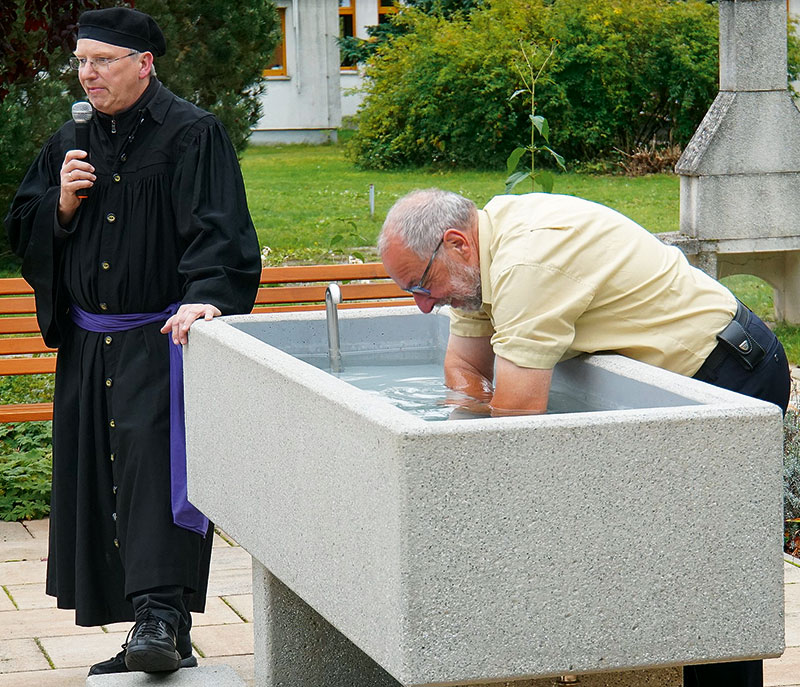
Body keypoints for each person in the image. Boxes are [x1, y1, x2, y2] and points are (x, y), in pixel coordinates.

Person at [379, 188, 790, 687]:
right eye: (410, 292)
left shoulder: (528, 263)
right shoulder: (479, 261)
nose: (423, 306)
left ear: (456, 243)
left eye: (421, 285)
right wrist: (453, 443)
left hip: (730, 374)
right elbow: (465, 366)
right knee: (667, 561)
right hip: (677, 385)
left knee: (711, 569)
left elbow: (517, 415)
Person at [4, 7, 261, 676]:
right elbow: (23, 225)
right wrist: (60, 205)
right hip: (90, 344)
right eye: (81, 61)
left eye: (103, 60)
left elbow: (222, 232)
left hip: (161, 338)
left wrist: (208, 295)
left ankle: (161, 619)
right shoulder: (72, 138)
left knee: (156, 474)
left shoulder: (191, 135)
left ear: (144, 64)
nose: (87, 73)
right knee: (104, 480)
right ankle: (156, 630)